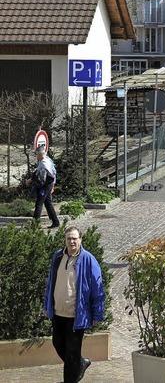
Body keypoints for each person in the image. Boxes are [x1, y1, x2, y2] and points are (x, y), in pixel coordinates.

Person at [44, 226, 105, 383]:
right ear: (65, 240)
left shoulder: (88, 260)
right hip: (58, 313)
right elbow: (51, 282)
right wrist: (47, 305)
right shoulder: (57, 257)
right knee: (57, 343)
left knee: (71, 354)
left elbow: (97, 289)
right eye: (69, 238)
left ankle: (72, 374)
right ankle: (80, 363)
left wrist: (97, 314)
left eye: (74, 238)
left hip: (75, 316)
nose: (71, 241)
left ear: (80, 240)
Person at [29, 145, 60, 228]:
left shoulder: (43, 164)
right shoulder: (48, 160)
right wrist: (53, 185)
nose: (36, 156)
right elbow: (54, 173)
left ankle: (34, 225)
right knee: (48, 203)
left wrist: (31, 181)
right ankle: (55, 222)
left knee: (39, 203)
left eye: (37, 155)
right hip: (48, 185)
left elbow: (41, 179)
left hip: (45, 186)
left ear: (40, 155)